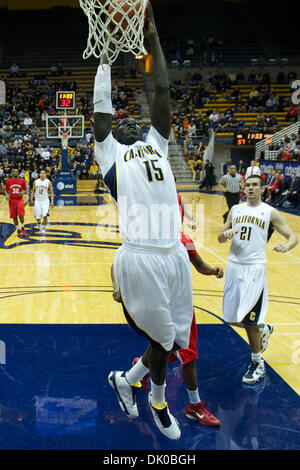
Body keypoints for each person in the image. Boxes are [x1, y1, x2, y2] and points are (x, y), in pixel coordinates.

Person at [93, 3, 193, 440]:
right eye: (123, 122)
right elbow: (102, 110)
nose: (131, 120)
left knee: (171, 341)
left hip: (172, 255)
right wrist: (105, 54)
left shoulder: (156, 140)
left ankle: (126, 380)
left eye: (135, 119)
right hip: (140, 258)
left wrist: (151, 36)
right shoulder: (109, 151)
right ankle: (157, 403)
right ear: (117, 131)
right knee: (166, 342)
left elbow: (162, 92)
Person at [112, 192, 223, 427]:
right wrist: (119, 287)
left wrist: (212, 270)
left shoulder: (184, 240)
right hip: (162, 307)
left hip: (180, 307)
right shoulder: (146, 240)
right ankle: (194, 405)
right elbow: (119, 259)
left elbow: (200, 265)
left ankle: (137, 372)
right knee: (187, 356)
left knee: (167, 349)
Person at [218, 174, 298, 384]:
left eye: (255, 185)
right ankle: (264, 329)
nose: (251, 188)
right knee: (232, 318)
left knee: (250, 320)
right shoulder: (235, 210)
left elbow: (293, 237)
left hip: (254, 269)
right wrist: (224, 235)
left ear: (263, 189)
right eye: (248, 185)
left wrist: (285, 246)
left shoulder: (270, 212)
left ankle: (257, 363)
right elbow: (220, 235)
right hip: (234, 267)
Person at [30, 170, 54, 235]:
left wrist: (52, 202)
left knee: (45, 215)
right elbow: (33, 190)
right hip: (37, 200)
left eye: (44, 173)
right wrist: (31, 199)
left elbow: (51, 192)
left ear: (46, 175)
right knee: (38, 217)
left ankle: (43, 228)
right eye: (41, 173)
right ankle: (38, 223)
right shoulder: (36, 182)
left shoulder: (48, 182)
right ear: (39, 174)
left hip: (45, 201)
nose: (43, 174)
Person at [5, 168, 27, 236]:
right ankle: (18, 229)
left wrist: (22, 192)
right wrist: (7, 195)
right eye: (14, 171)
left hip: (19, 200)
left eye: (16, 171)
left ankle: (23, 228)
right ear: (12, 172)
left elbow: (25, 189)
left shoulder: (22, 180)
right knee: (14, 216)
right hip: (12, 200)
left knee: (21, 215)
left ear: (18, 173)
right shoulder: (8, 181)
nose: (15, 173)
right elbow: (6, 190)